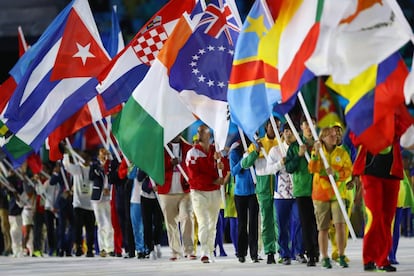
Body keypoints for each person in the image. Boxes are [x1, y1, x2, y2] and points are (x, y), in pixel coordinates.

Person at [351, 111, 413, 272]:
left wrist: (397, 112)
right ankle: (369, 257)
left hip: (392, 173)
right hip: (370, 173)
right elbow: (354, 138)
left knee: (387, 219)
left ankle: (383, 259)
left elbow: (406, 130)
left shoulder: (395, 115)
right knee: (375, 216)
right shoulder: (364, 113)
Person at [308, 127, 352, 269]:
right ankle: (325, 257)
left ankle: (341, 254)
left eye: (335, 135)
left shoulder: (342, 152)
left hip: (338, 194)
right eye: (330, 136)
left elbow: (348, 170)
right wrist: (315, 154)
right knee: (323, 228)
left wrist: (337, 174)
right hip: (320, 195)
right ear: (323, 138)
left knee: (340, 225)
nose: (334, 137)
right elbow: (312, 169)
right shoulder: (318, 151)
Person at [185, 124, 226, 263]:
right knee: (202, 221)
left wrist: (221, 169)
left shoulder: (217, 152)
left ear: (209, 135)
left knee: (212, 224)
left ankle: (210, 250)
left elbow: (225, 170)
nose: (199, 134)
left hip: (214, 193)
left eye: (202, 132)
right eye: (198, 132)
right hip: (198, 193)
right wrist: (215, 179)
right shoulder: (192, 153)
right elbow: (194, 175)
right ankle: (204, 252)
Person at [267, 123, 306, 265]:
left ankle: (299, 251)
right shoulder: (275, 150)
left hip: (298, 192)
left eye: (293, 131)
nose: (290, 134)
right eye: (287, 131)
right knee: (282, 225)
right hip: (281, 194)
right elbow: (268, 170)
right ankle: (284, 254)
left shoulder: (300, 149)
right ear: (283, 133)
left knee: (299, 221)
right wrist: (279, 163)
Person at [241, 118, 279, 264]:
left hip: (279, 187)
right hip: (263, 188)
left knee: (280, 221)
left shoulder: (281, 143)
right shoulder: (257, 144)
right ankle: (270, 252)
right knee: (267, 221)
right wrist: (256, 152)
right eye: (273, 125)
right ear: (266, 126)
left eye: (278, 126)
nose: (275, 128)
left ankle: (284, 251)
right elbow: (244, 164)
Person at [285, 117, 319, 267]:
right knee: (306, 223)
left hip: (319, 189)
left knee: (318, 223)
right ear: (301, 127)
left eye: (312, 124)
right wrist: (299, 155)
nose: (310, 127)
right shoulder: (295, 146)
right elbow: (289, 168)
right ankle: (310, 253)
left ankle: (317, 251)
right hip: (302, 190)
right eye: (306, 124)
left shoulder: (319, 144)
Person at [157, 135, 196, 261]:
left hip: (185, 190)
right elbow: (155, 167)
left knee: (187, 217)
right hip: (166, 191)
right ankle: (175, 251)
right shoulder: (160, 148)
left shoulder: (189, 148)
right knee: (170, 222)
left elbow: (193, 165)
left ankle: (189, 250)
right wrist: (170, 163)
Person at [228, 138, 259, 263]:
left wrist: (252, 154)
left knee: (253, 223)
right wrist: (243, 159)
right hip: (240, 193)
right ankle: (241, 253)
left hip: (254, 192)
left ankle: (254, 253)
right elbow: (233, 171)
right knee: (242, 224)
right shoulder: (234, 153)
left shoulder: (255, 151)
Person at [63, 151, 96, 257]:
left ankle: (90, 249)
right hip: (78, 204)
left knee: (90, 229)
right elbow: (67, 165)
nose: (85, 160)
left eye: (87, 158)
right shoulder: (77, 168)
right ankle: (78, 248)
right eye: (83, 157)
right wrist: (65, 154)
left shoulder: (93, 169)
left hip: (91, 205)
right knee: (78, 228)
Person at [89, 147, 114, 257]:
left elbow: (112, 177)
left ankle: (110, 247)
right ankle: (102, 248)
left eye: (105, 152)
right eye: (101, 152)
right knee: (100, 224)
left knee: (109, 223)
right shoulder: (94, 165)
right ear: (98, 154)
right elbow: (91, 177)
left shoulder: (111, 164)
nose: (103, 154)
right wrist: (99, 169)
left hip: (108, 197)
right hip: (97, 197)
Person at [138, 169, 163, 260]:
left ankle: (157, 243)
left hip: (158, 196)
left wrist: (159, 187)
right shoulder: (143, 163)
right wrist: (145, 169)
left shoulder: (159, 161)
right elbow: (139, 178)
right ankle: (150, 248)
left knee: (158, 223)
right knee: (147, 224)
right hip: (145, 196)